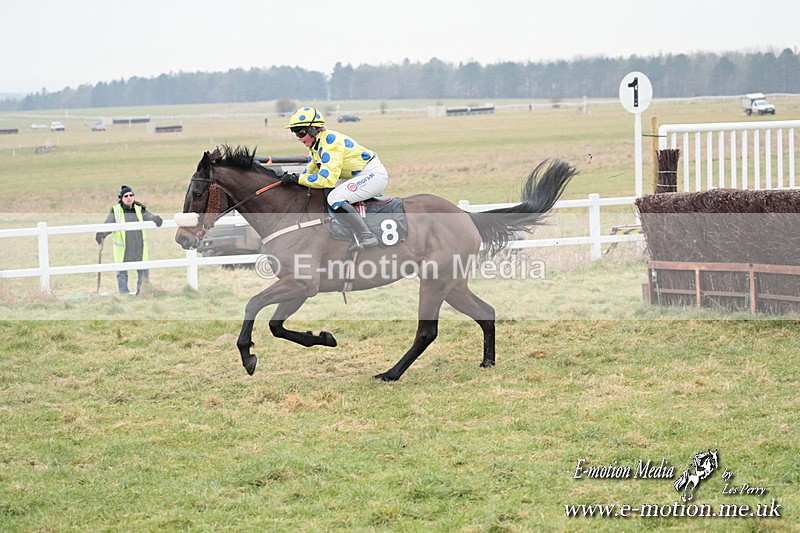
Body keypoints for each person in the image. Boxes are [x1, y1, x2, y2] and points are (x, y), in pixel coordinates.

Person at [282, 106, 389, 249]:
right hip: (355, 175)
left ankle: (367, 236)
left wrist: (297, 179)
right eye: (294, 132)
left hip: (372, 175)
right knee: (324, 192)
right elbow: (309, 172)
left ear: (313, 129)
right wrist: (291, 179)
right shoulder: (317, 145)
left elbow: (326, 179)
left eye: (300, 132)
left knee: (335, 198)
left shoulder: (330, 143)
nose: (298, 138)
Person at [95, 185, 163, 295]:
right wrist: (101, 234)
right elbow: (108, 224)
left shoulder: (139, 208)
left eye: (131, 195)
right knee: (122, 273)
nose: (129, 197)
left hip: (139, 247)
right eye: (126, 196)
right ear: (121, 198)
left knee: (143, 272)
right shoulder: (116, 210)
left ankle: (142, 293)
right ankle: (124, 294)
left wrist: (155, 219)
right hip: (124, 250)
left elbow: (148, 216)